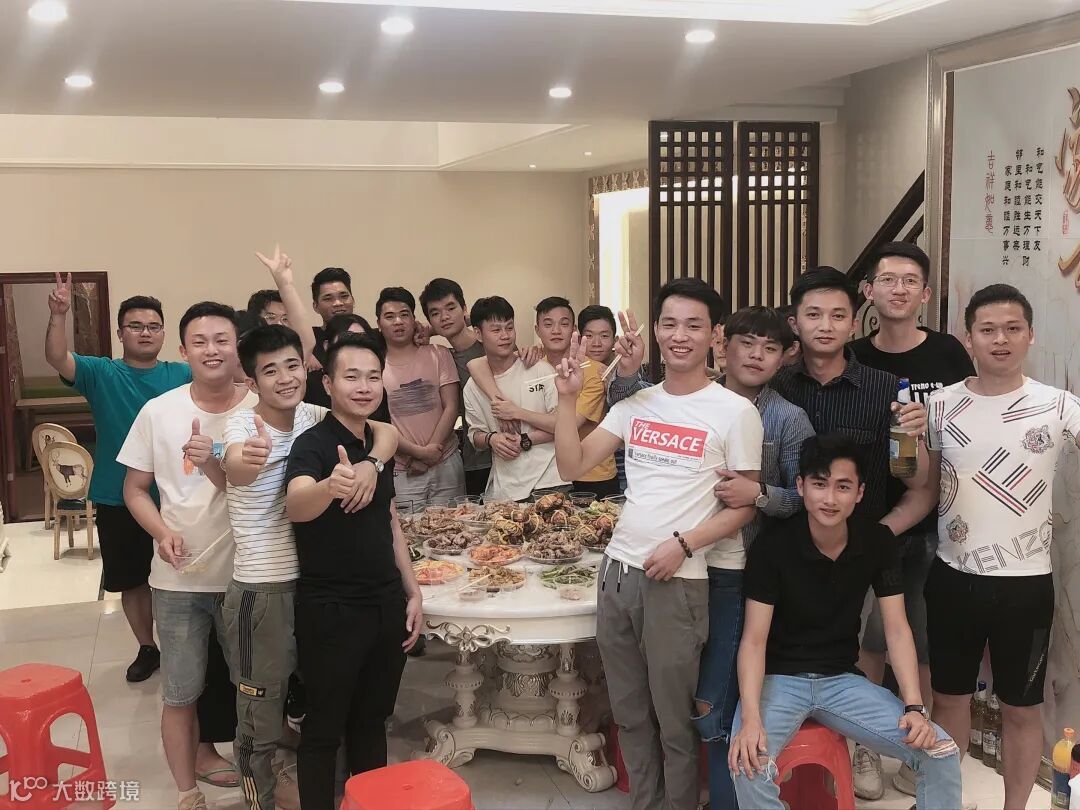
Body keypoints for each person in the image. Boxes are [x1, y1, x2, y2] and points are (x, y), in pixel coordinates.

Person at [553, 278, 763, 810]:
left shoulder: (735, 411)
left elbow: (743, 504)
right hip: (617, 574)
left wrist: (684, 545)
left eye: (693, 325)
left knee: (674, 721)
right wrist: (567, 397)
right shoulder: (636, 405)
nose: (679, 335)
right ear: (657, 331)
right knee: (628, 713)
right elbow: (572, 465)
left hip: (678, 579)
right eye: (669, 323)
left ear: (715, 334)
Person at [729, 434, 962, 810]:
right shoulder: (773, 547)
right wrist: (751, 719)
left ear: (859, 492)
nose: (830, 498)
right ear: (801, 487)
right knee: (748, 763)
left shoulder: (876, 542)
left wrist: (914, 707)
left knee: (941, 751)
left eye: (842, 486)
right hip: (779, 679)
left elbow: (897, 629)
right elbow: (754, 641)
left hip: (841, 681)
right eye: (820, 484)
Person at [771, 267, 933, 798]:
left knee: (862, 649)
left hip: (860, 555)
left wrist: (912, 440)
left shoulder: (886, 391)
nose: (825, 325)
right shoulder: (775, 385)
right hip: (785, 556)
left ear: (853, 322)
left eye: (838, 315)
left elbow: (914, 480)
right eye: (813, 315)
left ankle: (860, 741)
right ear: (795, 322)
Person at [221, 325, 397, 810]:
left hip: (318, 580)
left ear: (309, 372)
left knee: (336, 710)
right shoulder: (243, 427)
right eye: (269, 370)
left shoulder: (314, 414)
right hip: (265, 585)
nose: (284, 377)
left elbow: (386, 433)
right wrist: (250, 461)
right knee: (264, 712)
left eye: (292, 365)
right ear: (252, 382)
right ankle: (259, 801)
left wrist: (372, 464)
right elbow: (251, 474)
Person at [922, 284, 1080, 810]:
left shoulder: (1058, 405)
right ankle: (946, 801)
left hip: (1026, 585)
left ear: (1031, 335)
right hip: (953, 577)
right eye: (987, 330)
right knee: (948, 699)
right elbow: (922, 484)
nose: (1001, 339)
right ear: (968, 338)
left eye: (1013, 328)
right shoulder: (940, 404)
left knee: (1022, 708)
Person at [118, 302, 258, 810]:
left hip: (250, 576)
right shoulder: (159, 412)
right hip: (178, 580)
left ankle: (259, 784)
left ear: (237, 346)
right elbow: (135, 489)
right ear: (183, 351)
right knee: (180, 693)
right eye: (200, 342)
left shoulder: (262, 409)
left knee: (255, 691)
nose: (211, 350)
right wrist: (161, 532)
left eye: (222, 340)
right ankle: (186, 793)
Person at [850, 242, 977, 797]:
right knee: (866, 637)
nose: (897, 289)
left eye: (909, 281)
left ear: (925, 294)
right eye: (887, 279)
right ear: (869, 291)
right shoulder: (854, 356)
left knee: (918, 638)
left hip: (933, 521)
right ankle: (863, 746)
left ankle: (917, 748)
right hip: (861, 521)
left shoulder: (948, 353)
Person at [285, 332, 423, 810]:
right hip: (332, 608)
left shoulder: (376, 441)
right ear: (327, 384)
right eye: (351, 377)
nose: (364, 387)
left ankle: (370, 803)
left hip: (385, 602)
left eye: (372, 377)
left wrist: (412, 590)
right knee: (324, 728)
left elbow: (390, 521)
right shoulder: (313, 444)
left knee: (372, 721)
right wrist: (329, 486)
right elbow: (295, 505)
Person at [44, 277, 190, 683]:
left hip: (178, 495)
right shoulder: (100, 372)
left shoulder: (182, 373)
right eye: (136, 326)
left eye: (154, 326)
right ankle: (147, 647)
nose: (145, 332)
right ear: (121, 332)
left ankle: (186, 647)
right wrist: (58, 315)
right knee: (132, 579)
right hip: (117, 496)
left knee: (183, 575)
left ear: (164, 333)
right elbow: (57, 356)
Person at [472, 297, 620, 498]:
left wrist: (517, 419)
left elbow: (569, 424)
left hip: (593, 473)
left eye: (564, 324)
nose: (556, 331)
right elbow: (477, 364)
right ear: (537, 330)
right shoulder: (533, 365)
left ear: (574, 330)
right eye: (548, 324)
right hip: (556, 473)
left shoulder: (593, 372)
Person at [462, 296, 566, 501]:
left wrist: (520, 426)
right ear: (478, 334)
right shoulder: (473, 387)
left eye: (509, 328)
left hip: (550, 482)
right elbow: (475, 435)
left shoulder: (540, 370)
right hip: (505, 490)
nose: (505, 336)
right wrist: (492, 439)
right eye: (496, 330)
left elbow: (562, 425)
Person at [375, 286, 464, 504]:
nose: (398, 321)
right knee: (407, 526)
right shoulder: (374, 366)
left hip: (446, 461)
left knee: (457, 522)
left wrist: (430, 454)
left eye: (404, 314)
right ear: (379, 324)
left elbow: (451, 406)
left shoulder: (438, 353)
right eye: (390, 316)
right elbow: (378, 422)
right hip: (402, 469)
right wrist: (417, 454)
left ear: (414, 320)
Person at [420, 278, 492, 498]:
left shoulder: (491, 343)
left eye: (451, 308)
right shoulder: (443, 359)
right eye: (435, 313)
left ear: (464, 309)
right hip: (474, 459)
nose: (444, 317)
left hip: (509, 453)